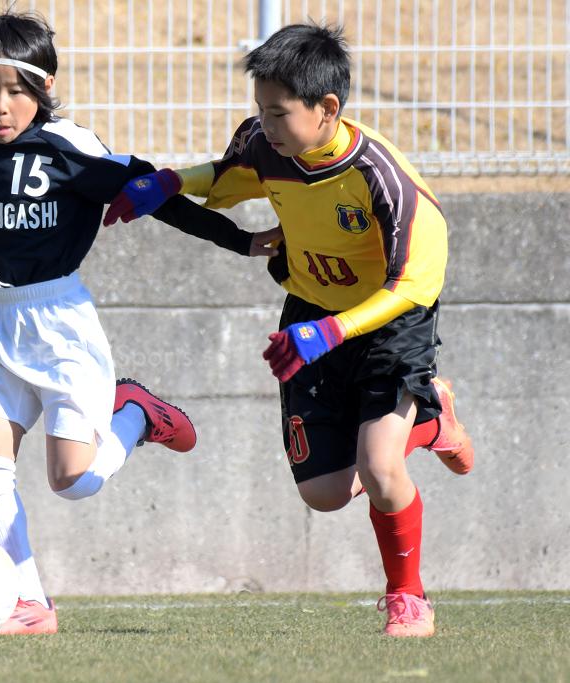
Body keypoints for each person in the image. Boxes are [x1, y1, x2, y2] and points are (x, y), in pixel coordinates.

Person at [0, 1, 279, 635]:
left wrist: (241, 240)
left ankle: (136, 412)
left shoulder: (72, 148)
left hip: (59, 323)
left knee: (74, 480)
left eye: (14, 92)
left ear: (44, 89)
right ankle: (29, 604)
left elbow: (155, 194)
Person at [102, 23, 475, 638]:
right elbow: (226, 183)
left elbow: (415, 287)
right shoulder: (266, 145)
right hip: (309, 315)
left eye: (278, 113)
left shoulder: (385, 180)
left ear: (328, 109)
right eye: (260, 110)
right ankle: (433, 423)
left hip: (386, 324)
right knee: (325, 493)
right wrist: (171, 182)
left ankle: (408, 598)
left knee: (380, 471)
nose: (265, 126)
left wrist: (333, 332)